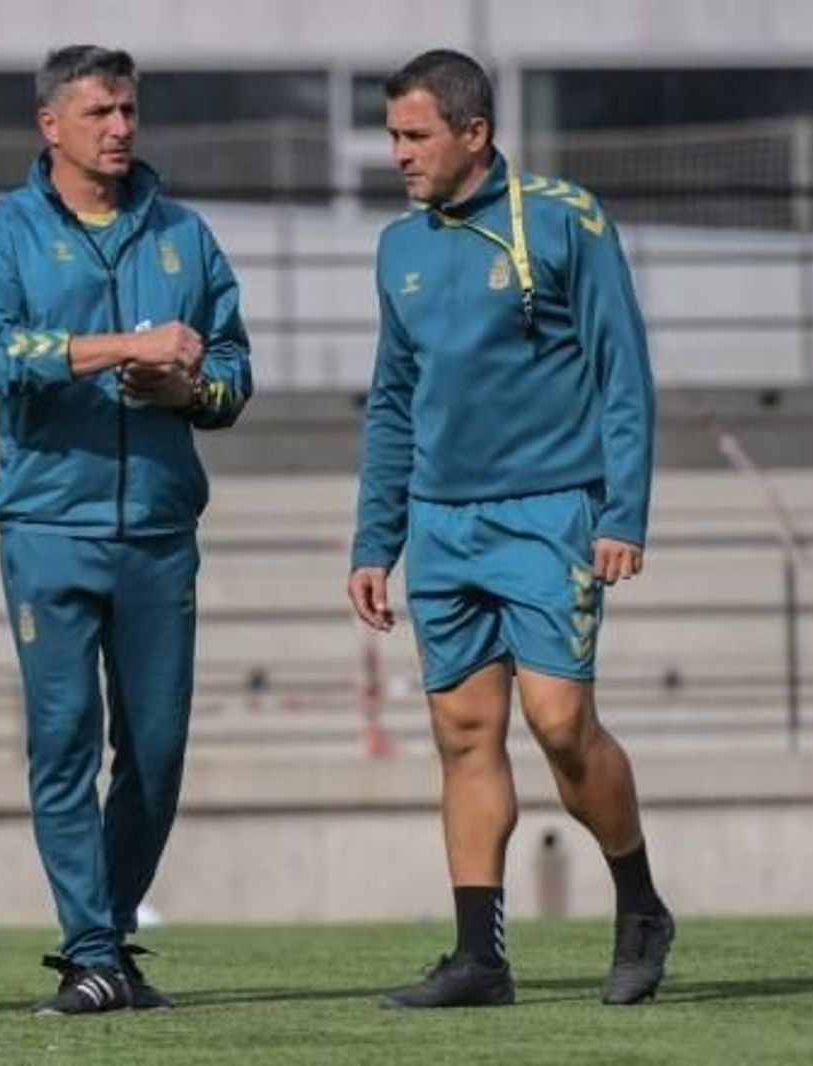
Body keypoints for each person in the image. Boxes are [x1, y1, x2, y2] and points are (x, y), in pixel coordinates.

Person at [347, 50, 674, 1008]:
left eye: (415, 136)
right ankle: (478, 958)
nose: (398, 154)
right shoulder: (399, 248)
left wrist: (624, 513)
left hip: (552, 515)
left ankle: (641, 905)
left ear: (474, 133)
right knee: (462, 733)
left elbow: (624, 373)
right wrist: (377, 540)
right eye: (393, 136)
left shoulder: (567, 219)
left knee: (562, 724)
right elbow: (393, 403)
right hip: (441, 524)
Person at [0, 45, 253, 1015]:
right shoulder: (4, 234)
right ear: (50, 125)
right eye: (99, 112)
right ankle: (90, 947)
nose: (120, 127)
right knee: (63, 741)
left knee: (157, 754)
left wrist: (189, 385)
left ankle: (106, 939)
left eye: (127, 109)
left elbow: (235, 375)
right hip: (47, 525)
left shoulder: (186, 235)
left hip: (161, 530)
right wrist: (122, 347)